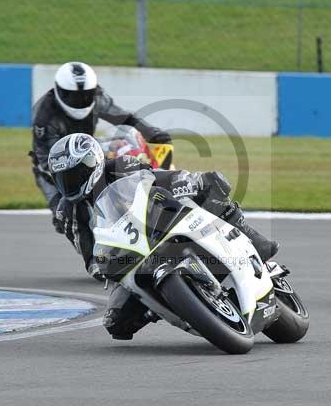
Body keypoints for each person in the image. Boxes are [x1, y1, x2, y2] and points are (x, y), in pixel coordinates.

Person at [47, 133, 279, 340]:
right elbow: (88, 253)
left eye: (75, 174)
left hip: (163, 222)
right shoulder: (67, 212)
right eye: (63, 178)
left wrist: (192, 183)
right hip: (131, 255)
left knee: (211, 187)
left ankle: (251, 240)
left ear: (92, 162)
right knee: (116, 324)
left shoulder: (120, 166)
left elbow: (157, 179)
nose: (70, 183)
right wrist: (100, 267)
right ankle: (166, 305)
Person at [29, 61, 172, 216]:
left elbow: (124, 118)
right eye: (73, 96)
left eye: (86, 95)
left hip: (86, 152)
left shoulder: (97, 97)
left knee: (117, 166)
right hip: (55, 170)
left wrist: (151, 132)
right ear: (59, 90)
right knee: (66, 216)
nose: (80, 100)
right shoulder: (44, 117)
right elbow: (47, 162)